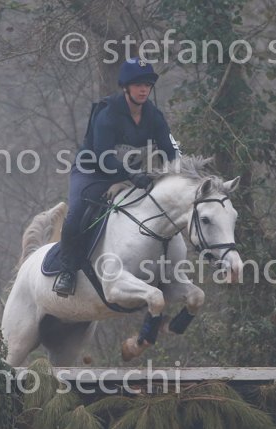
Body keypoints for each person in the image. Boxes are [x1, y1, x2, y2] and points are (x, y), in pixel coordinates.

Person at [53, 57, 179, 297]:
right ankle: (66, 271)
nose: (143, 90)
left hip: (130, 174)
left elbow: (169, 150)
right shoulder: (108, 114)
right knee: (76, 215)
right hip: (92, 172)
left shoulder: (154, 116)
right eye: (138, 84)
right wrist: (132, 175)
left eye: (147, 85)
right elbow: (103, 157)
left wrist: (177, 172)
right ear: (126, 87)